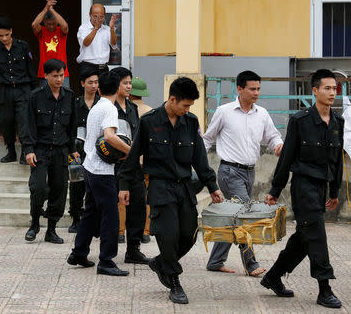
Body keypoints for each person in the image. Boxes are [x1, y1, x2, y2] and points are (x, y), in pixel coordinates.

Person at [118, 77, 223, 304]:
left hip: (185, 187)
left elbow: (200, 159)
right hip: (160, 186)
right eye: (185, 105)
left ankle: (160, 263)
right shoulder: (149, 122)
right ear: (172, 99)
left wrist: (212, 186)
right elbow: (134, 156)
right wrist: (124, 186)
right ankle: (174, 282)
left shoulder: (191, 122)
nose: (187, 110)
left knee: (189, 234)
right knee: (168, 235)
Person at [262, 69, 343, 309]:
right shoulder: (300, 120)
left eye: (334, 88)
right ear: (315, 91)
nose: (332, 93)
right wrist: (275, 190)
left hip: (322, 186)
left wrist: (335, 192)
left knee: (304, 237)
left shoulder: (338, 121)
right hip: (303, 185)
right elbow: (286, 157)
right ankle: (324, 288)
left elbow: (336, 161)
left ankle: (273, 276)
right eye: (327, 88)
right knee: (316, 233)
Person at [202, 70, 283, 277]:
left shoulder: (262, 113)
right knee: (246, 217)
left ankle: (215, 261)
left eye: (258, 89)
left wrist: (278, 146)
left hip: (250, 173)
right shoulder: (224, 111)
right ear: (239, 88)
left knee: (233, 217)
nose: (256, 93)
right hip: (229, 171)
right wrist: (195, 162)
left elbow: (273, 136)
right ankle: (251, 264)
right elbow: (208, 138)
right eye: (252, 89)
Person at [68, 71, 130, 277]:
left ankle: (79, 252)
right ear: (119, 88)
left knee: (91, 212)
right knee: (111, 216)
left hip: (90, 165)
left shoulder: (96, 107)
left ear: (101, 89)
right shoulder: (110, 109)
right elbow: (109, 137)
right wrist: (130, 151)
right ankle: (106, 260)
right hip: (102, 171)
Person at [23, 59, 78, 244]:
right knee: (38, 187)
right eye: (55, 76)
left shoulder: (69, 96)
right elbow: (28, 125)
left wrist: (73, 149)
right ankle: (35, 224)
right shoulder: (36, 96)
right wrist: (29, 149)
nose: (59, 79)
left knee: (60, 189)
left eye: (62, 75)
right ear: (46, 76)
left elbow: (72, 126)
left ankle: (52, 229)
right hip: (40, 150)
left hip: (61, 151)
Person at [110, 67, 149, 264]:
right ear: (116, 85)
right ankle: (105, 252)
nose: (128, 86)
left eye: (129, 83)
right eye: (125, 83)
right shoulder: (108, 108)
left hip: (133, 167)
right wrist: (129, 150)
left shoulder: (133, 108)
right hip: (112, 166)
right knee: (110, 209)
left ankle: (133, 250)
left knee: (139, 207)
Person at [0, 17, 36, 165]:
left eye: (6, 35)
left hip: (23, 89)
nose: (4, 38)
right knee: (6, 121)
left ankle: (25, 152)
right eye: (0, 36)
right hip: (6, 90)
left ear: (11, 32)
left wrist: (35, 90)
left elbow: (31, 69)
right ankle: (11, 152)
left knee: (24, 121)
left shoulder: (23, 46)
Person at [68, 68, 100, 233]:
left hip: (98, 151)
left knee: (95, 185)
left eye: (96, 82)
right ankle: (75, 218)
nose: (94, 86)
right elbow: (69, 128)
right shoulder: (75, 103)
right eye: (90, 82)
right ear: (82, 83)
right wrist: (72, 149)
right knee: (76, 185)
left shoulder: (102, 103)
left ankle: (94, 219)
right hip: (77, 151)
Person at [128, 76, 153, 244]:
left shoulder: (125, 109)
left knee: (123, 196)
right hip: (148, 161)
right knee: (148, 197)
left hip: (129, 159)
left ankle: (121, 231)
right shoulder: (151, 111)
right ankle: (146, 231)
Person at [32, 0, 70, 88]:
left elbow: (65, 26)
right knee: (44, 101)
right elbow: (34, 24)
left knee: (65, 99)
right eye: (49, 24)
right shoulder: (42, 31)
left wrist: (52, 10)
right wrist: (46, 7)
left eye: (54, 23)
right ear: (44, 22)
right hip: (45, 73)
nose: (51, 26)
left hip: (62, 72)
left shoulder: (60, 31)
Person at [76, 4, 117, 75]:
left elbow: (113, 44)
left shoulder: (107, 29)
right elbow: (86, 43)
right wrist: (96, 28)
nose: (98, 19)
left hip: (103, 68)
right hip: (88, 67)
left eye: (101, 17)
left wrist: (111, 28)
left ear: (104, 17)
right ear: (90, 15)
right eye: (95, 16)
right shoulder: (83, 28)